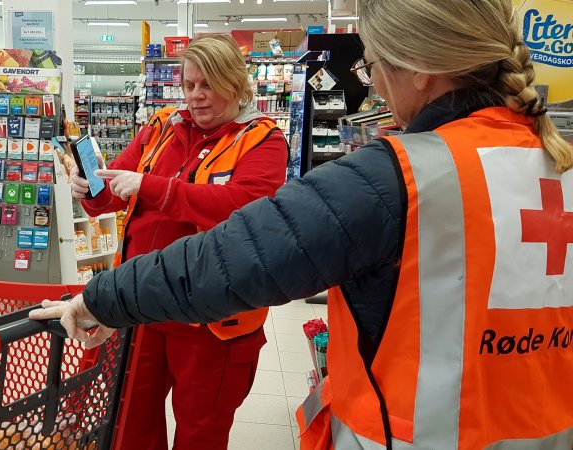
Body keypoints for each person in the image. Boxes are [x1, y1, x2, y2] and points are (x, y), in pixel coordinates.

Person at [32, 0, 573, 448]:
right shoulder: (557, 161)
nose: (375, 88)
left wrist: (100, 298)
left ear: (419, 67)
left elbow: (238, 253)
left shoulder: (397, 173)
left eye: (373, 66)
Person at [66, 36, 288, 450]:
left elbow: (244, 208)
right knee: (130, 420)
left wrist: (155, 188)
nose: (196, 97)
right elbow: (117, 186)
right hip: (140, 305)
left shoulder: (264, 140)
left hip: (212, 318)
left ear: (236, 83)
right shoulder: (163, 125)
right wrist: (92, 190)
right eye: (188, 85)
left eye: (208, 85)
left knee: (200, 430)